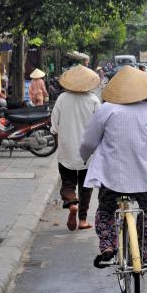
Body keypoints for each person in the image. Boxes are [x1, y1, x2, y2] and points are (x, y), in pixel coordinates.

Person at [80, 66, 147, 265]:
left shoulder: (107, 110)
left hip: (112, 176)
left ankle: (107, 245)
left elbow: (89, 142)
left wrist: (84, 157)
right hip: (145, 175)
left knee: (106, 209)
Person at [51, 65, 101, 231]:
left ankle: (71, 201)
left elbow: (54, 124)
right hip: (88, 150)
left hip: (67, 148)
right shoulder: (93, 100)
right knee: (86, 186)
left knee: (67, 182)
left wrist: (57, 135)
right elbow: (99, 125)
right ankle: (83, 220)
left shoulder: (62, 98)